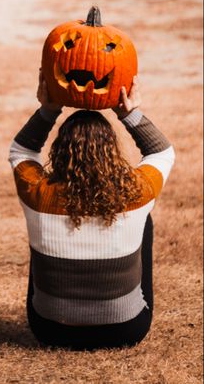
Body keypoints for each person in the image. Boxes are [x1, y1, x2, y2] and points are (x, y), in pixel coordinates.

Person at [9, 73, 175, 350]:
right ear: (112, 149)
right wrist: (129, 113)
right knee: (144, 221)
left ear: (60, 150)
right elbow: (161, 153)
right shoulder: (136, 193)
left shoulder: (37, 194)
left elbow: (21, 151)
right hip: (125, 330)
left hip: (49, 329)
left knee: (42, 232)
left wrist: (48, 110)